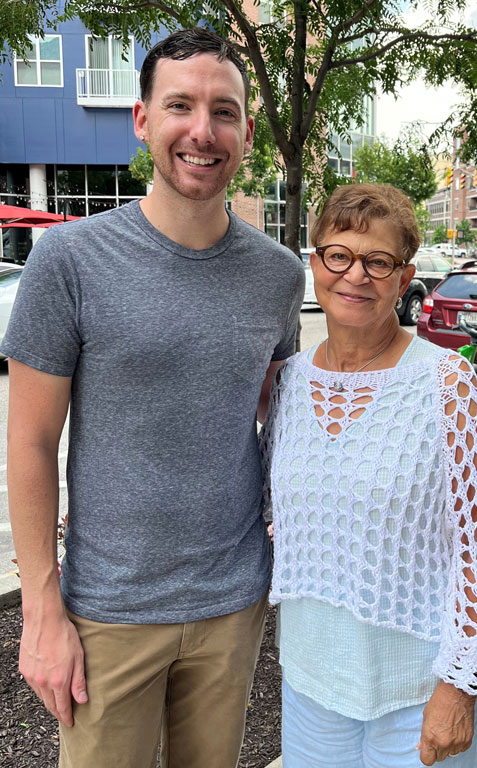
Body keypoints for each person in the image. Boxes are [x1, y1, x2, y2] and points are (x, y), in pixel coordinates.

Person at [2, 27, 303, 768]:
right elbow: (31, 442)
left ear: (246, 130)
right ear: (143, 120)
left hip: (232, 604)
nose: (203, 131)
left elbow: (278, 417)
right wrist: (41, 610)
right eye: (181, 106)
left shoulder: (279, 275)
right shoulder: (68, 261)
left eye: (224, 111)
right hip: (108, 611)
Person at [260, 183, 477, 767]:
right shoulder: (288, 384)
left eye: (378, 261)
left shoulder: (445, 383)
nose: (356, 275)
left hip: (420, 694)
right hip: (310, 685)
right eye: (339, 255)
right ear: (315, 263)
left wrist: (460, 686)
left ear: (404, 280)